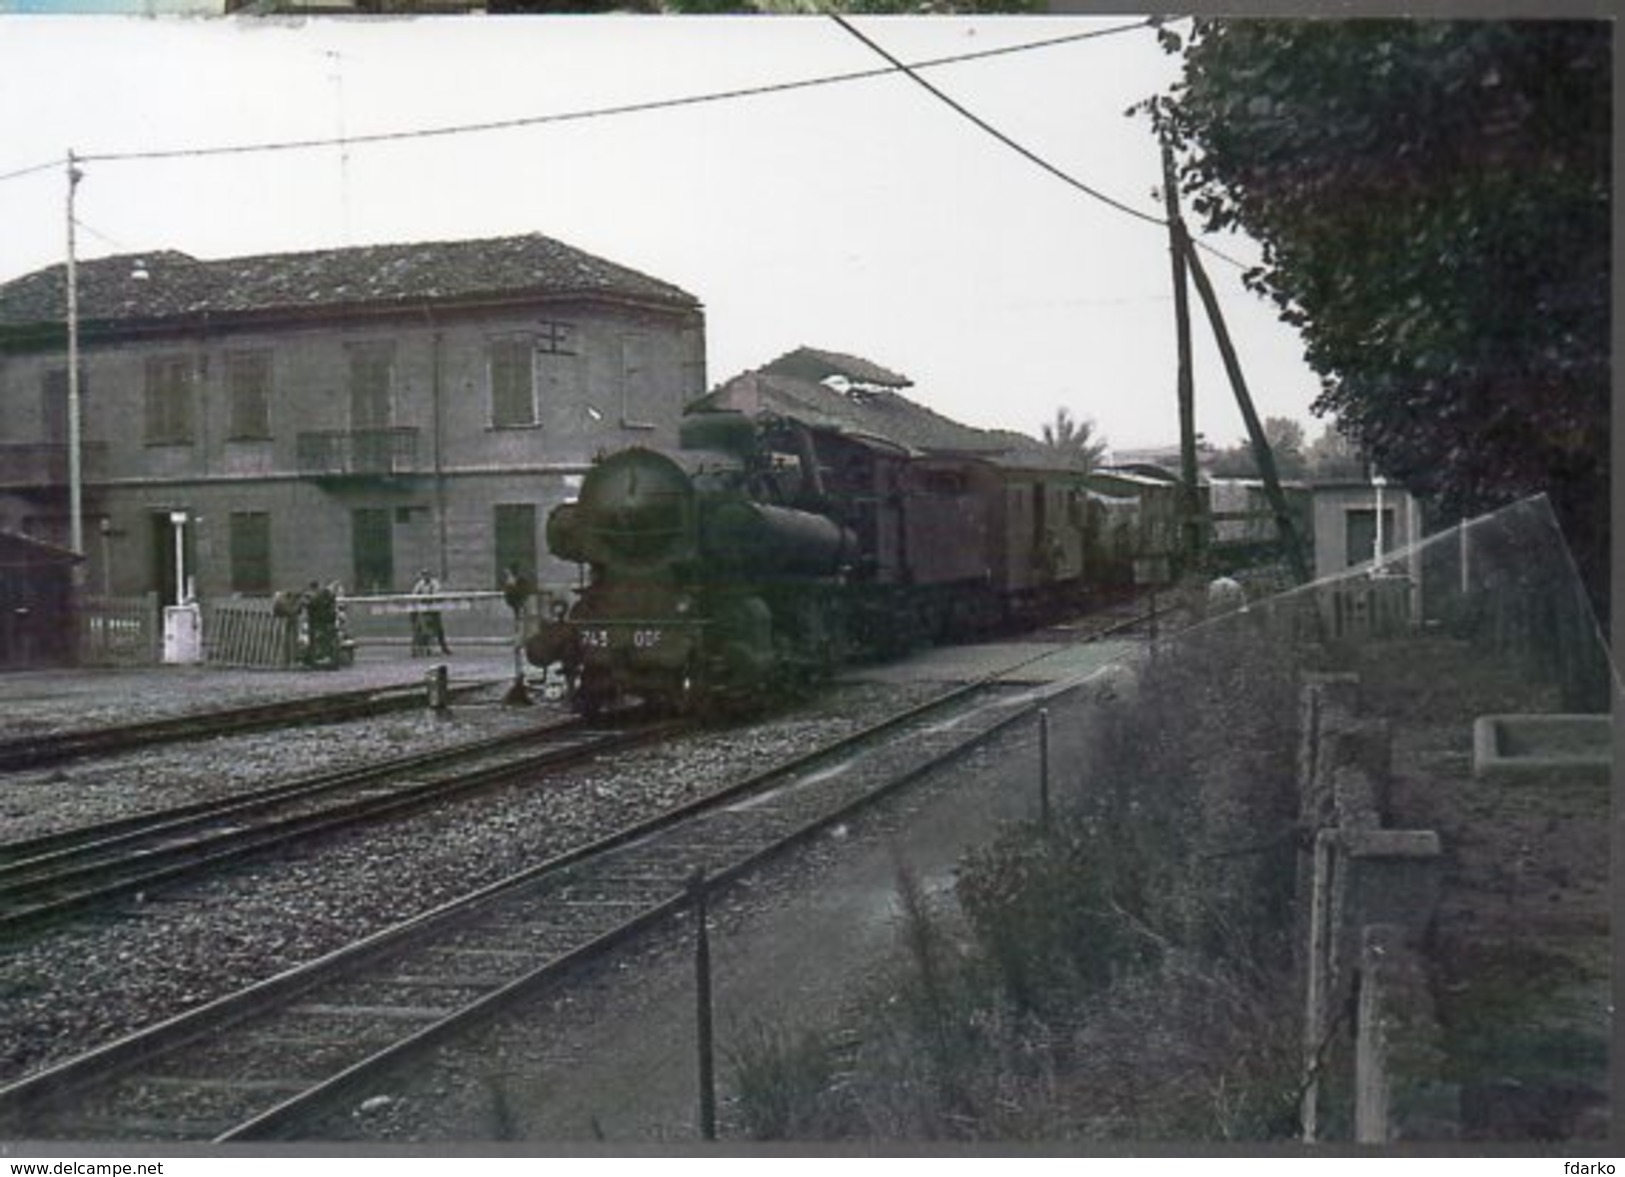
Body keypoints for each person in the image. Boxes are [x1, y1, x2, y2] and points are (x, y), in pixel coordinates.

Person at [412, 568, 451, 655]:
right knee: (419, 629)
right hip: (422, 609)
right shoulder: (420, 584)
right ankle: (417, 649)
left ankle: (444, 647)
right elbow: (414, 594)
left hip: (434, 609)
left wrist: (431, 599)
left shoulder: (435, 583)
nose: (425, 576)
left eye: (427, 574)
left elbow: (437, 594)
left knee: (439, 629)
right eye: (424, 574)